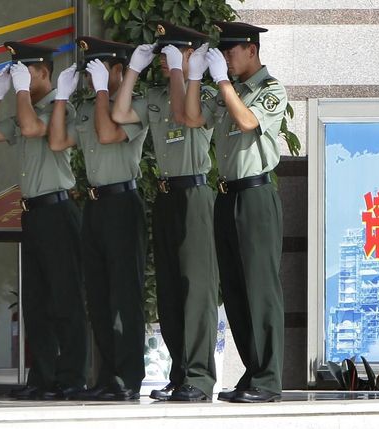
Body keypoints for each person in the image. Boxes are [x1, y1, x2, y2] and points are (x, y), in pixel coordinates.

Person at [112, 22, 219, 402]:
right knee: (171, 290)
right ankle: (179, 373)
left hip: (194, 193)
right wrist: (133, 71)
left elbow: (183, 111)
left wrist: (182, 71)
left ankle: (200, 378)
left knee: (196, 289)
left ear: (191, 54)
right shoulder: (156, 93)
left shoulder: (205, 93)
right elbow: (121, 114)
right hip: (166, 195)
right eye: (163, 54)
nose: (163, 61)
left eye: (173, 51)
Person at [183, 21, 287, 403]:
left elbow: (247, 121)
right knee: (236, 290)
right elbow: (193, 118)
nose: (225, 58)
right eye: (222, 53)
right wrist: (194, 78)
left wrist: (223, 82)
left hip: (256, 195)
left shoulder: (268, 89)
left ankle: (269, 378)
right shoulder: (231, 90)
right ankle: (252, 371)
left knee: (260, 289)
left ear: (251, 50)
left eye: (231, 51)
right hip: (226, 196)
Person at [0, 42, 87, 400]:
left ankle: (71, 376)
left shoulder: (61, 107)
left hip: (57, 210)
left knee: (64, 298)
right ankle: (43, 376)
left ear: (42, 72)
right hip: (33, 213)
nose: (18, 77)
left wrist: (21, 91)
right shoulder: (28, 104)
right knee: (36, 301)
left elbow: (30, 128)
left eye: (24, 71)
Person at [48, 37, 148, 401]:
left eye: (101, 70)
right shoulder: (92, 106)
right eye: (91, 73)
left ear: (119, 70)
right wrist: (61, 97)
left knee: (125, 294)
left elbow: (108, 134)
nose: (93, 80)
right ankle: (106, 376)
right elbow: (57, 142)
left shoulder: (133, 105)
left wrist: (105, 89)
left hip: (122, 202)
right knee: (100, 296)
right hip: (94, 206)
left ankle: (128, 377)